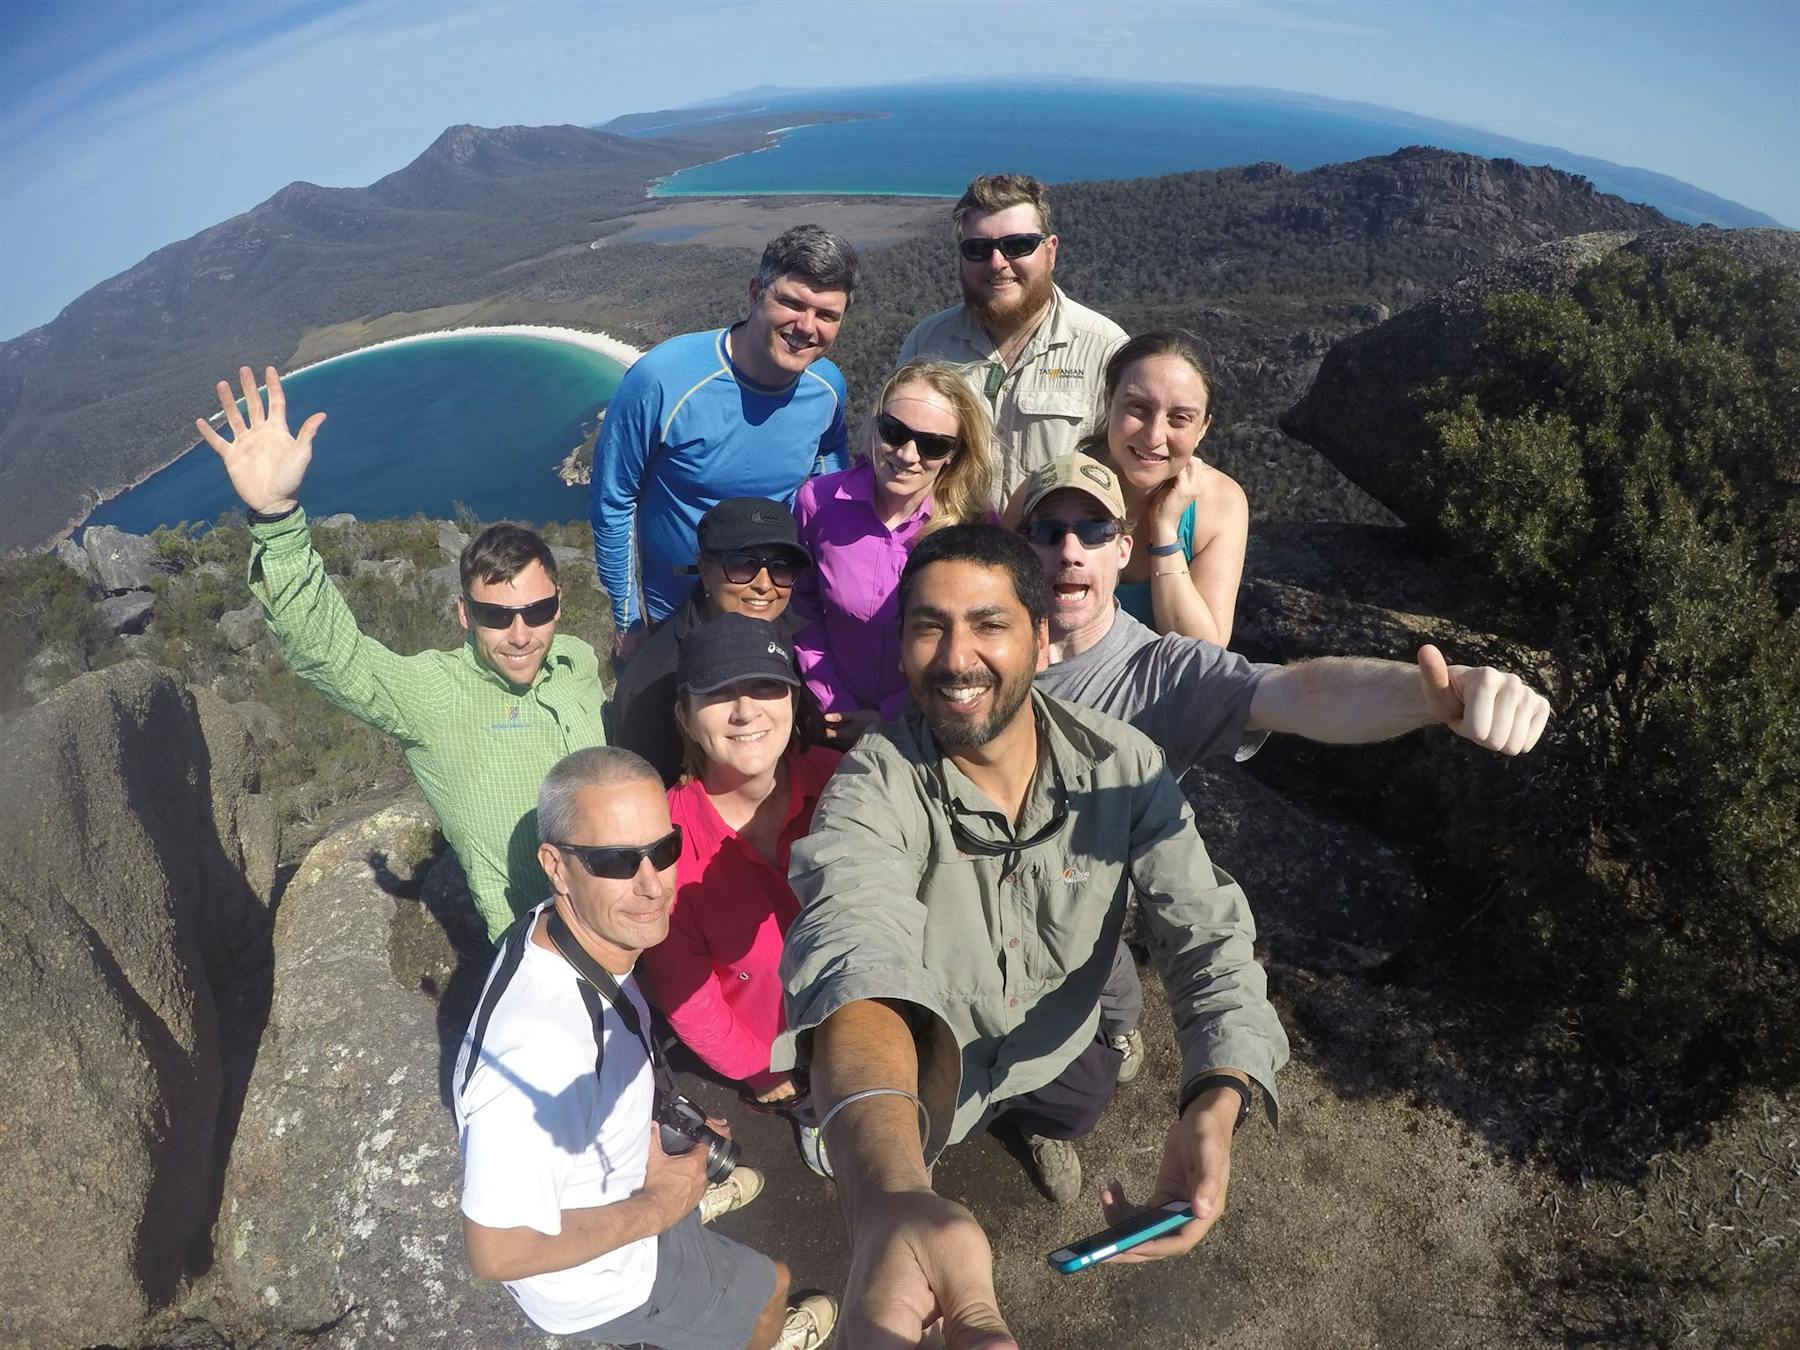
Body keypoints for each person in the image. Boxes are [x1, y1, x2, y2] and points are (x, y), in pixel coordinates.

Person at [776, 524, 1287, 1347]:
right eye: (928, 625)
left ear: (1042, 638)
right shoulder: (873, 788)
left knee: (1072, 1107)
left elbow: (1207, 934)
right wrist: (888, 1197)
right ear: (902, 643)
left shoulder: (1122, 766)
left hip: (1061, 1045)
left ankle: (1042, 1132)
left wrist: (1219, 1091)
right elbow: (853, 950)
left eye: (989, 623)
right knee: (900, 1140)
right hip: (934, 1075)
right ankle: (870, 1137)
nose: (955, 656)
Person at [197, 366, 605, 942]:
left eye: (536, 612)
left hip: (641, 929)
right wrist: (276, 518)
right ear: (465, 614)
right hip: (545, 955)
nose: (520, 635)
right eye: (495, 615)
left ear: (558, 606)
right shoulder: (433, 694)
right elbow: (329, 652)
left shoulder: (580, 663)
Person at [454, 746, 836, 1349]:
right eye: (614, 860)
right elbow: (499, 1249)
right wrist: (657, 1207)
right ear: (555, 866)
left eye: (663, 850)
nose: (653, 885)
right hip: (608, 1279)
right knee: (771, 1288)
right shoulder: (543, 1049)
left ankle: (686, 1214)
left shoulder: (555, 931)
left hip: (618, 1189)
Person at [1017, 452, 1553, 776]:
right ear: (1019, 549)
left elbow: (1300, 694)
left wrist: (1431, 695)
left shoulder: (1166, 674)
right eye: (1048, 531)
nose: (1070, 550)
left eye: (1094, 530)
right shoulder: (962, 646)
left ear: (1123, 551)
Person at [592, 225, 858, 655]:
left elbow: (827, 473)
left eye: (827, 315)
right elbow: (613, 500)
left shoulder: (827, 387)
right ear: (755, 295)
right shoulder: (662, 380)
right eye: (791, 303)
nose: (806, 327)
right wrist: (627, 620)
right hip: (675, 618)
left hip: (777, 612)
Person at [637, 615, 840, 1168]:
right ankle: (811, 1111)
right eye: (718, 692)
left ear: (794, 701)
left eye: (766, 686)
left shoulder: (842, 784)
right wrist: (762, 1069)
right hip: (776, 1046)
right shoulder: (664, 848)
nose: (746, 710)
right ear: (684, 715)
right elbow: (691, 999)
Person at [790, 359, 999, 742]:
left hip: (930, 727)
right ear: (875, 423)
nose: (906, 454)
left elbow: (976, 640)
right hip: (829, 723)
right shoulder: (818, 503)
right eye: (894, 432)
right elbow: (801, 607)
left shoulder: (973, 527)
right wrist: (832, 699)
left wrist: (890, 715)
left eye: (933, 444)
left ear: (954, 453)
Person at [898, 173, 1127, 500]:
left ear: (1050, 252)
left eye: (1018, 245)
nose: (997, 263)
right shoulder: (927, 343)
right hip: (949, 545)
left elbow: (1132, 469)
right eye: (977, 249)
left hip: (1050, 549)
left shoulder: (1104, 349)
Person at [607, 497, 813, 786]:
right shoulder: (655, 678)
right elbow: (643, 788)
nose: (764, 585)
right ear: (704, 570)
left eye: (782, 568)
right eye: (742, 565)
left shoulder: (805, 639)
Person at [1074, 330, 1248, 646]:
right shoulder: (1056, 489)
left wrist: (1165, 531)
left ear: (1203, 428)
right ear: (1108, 401)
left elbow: (1202, 651)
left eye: (1179, 418)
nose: (1154, 436)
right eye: (1138, 408)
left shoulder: (1221, 503)